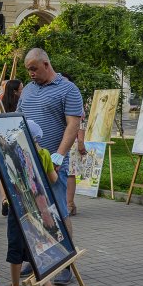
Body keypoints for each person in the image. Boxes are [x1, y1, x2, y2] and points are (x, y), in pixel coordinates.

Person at [18, 49, 83, 285]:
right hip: (30, 163)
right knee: (35, 211)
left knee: (59, 211)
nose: (31, 73)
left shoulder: (68, 89)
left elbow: (73, 125)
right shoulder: (28, 89)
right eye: (28, 70)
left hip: (53, 164)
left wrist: (59, 155)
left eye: (34, 69)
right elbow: (19, 120)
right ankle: (38, 256)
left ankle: (66, 262)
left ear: (46, 64)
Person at [5, 119, 58, 286]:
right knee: (39, 245)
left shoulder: (15, 155)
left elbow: (9, 181)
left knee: (16, 245)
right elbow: (53, 179)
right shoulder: (43, 153)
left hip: (19, 207)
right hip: (40, 207)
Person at [59, 72, 87, 217]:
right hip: (59, 140)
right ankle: (64, 203)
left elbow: (80, 123)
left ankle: (69, 204)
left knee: (70, 173)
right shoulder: (57, 97)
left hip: (73, 142)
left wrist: (81, 142)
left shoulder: (74, 99)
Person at [0, 79, 23, 216]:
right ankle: (17, 197)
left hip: (3, 141)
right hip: (17, 141)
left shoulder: (1, 102)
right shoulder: (21, 104)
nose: (23, 91)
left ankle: (4, 199)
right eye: (21, 89)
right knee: (17, 169)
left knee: (4, 172)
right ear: (15, 91)